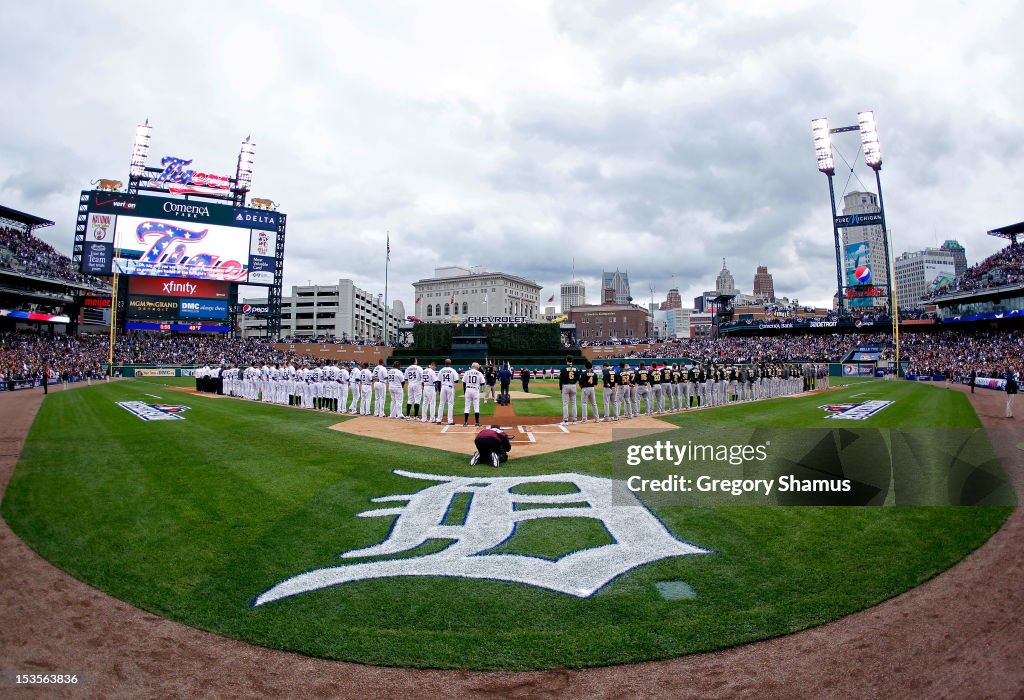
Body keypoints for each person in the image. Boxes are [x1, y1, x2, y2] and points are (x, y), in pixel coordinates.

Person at [437, 359, 460, 425]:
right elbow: (456, 380)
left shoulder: (441, 370)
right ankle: (450, 421)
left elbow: (439, 381)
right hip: (450, 387)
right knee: (450, 404)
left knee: (441, 404)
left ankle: (439, 420)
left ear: (445, 363)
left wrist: (439, 390)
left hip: (443, 387)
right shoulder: (452, 370)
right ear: (450, 363)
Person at [462, 362, 485, 426]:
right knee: (476, 406)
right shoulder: (479, 373)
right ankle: (477, 422)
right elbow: (483, 383)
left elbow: (464, 382)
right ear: (476, 367)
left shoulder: (467, 372)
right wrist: (477, 384)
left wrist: (464, 391)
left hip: (468, 389)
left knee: (467, 406)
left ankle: (466, 422)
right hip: (475, 390)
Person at [559, 356, 579, 424]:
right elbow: (578, 378)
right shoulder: (576, 368)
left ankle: (565, 420)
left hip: (566, 386)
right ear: (572, 360)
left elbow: (561, 380)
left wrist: (561, 388)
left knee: (565, 404)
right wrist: (574, 382)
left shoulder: (563, 368)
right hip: (573, 386)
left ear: (566, 360)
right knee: (574, 403)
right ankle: (574, 420)